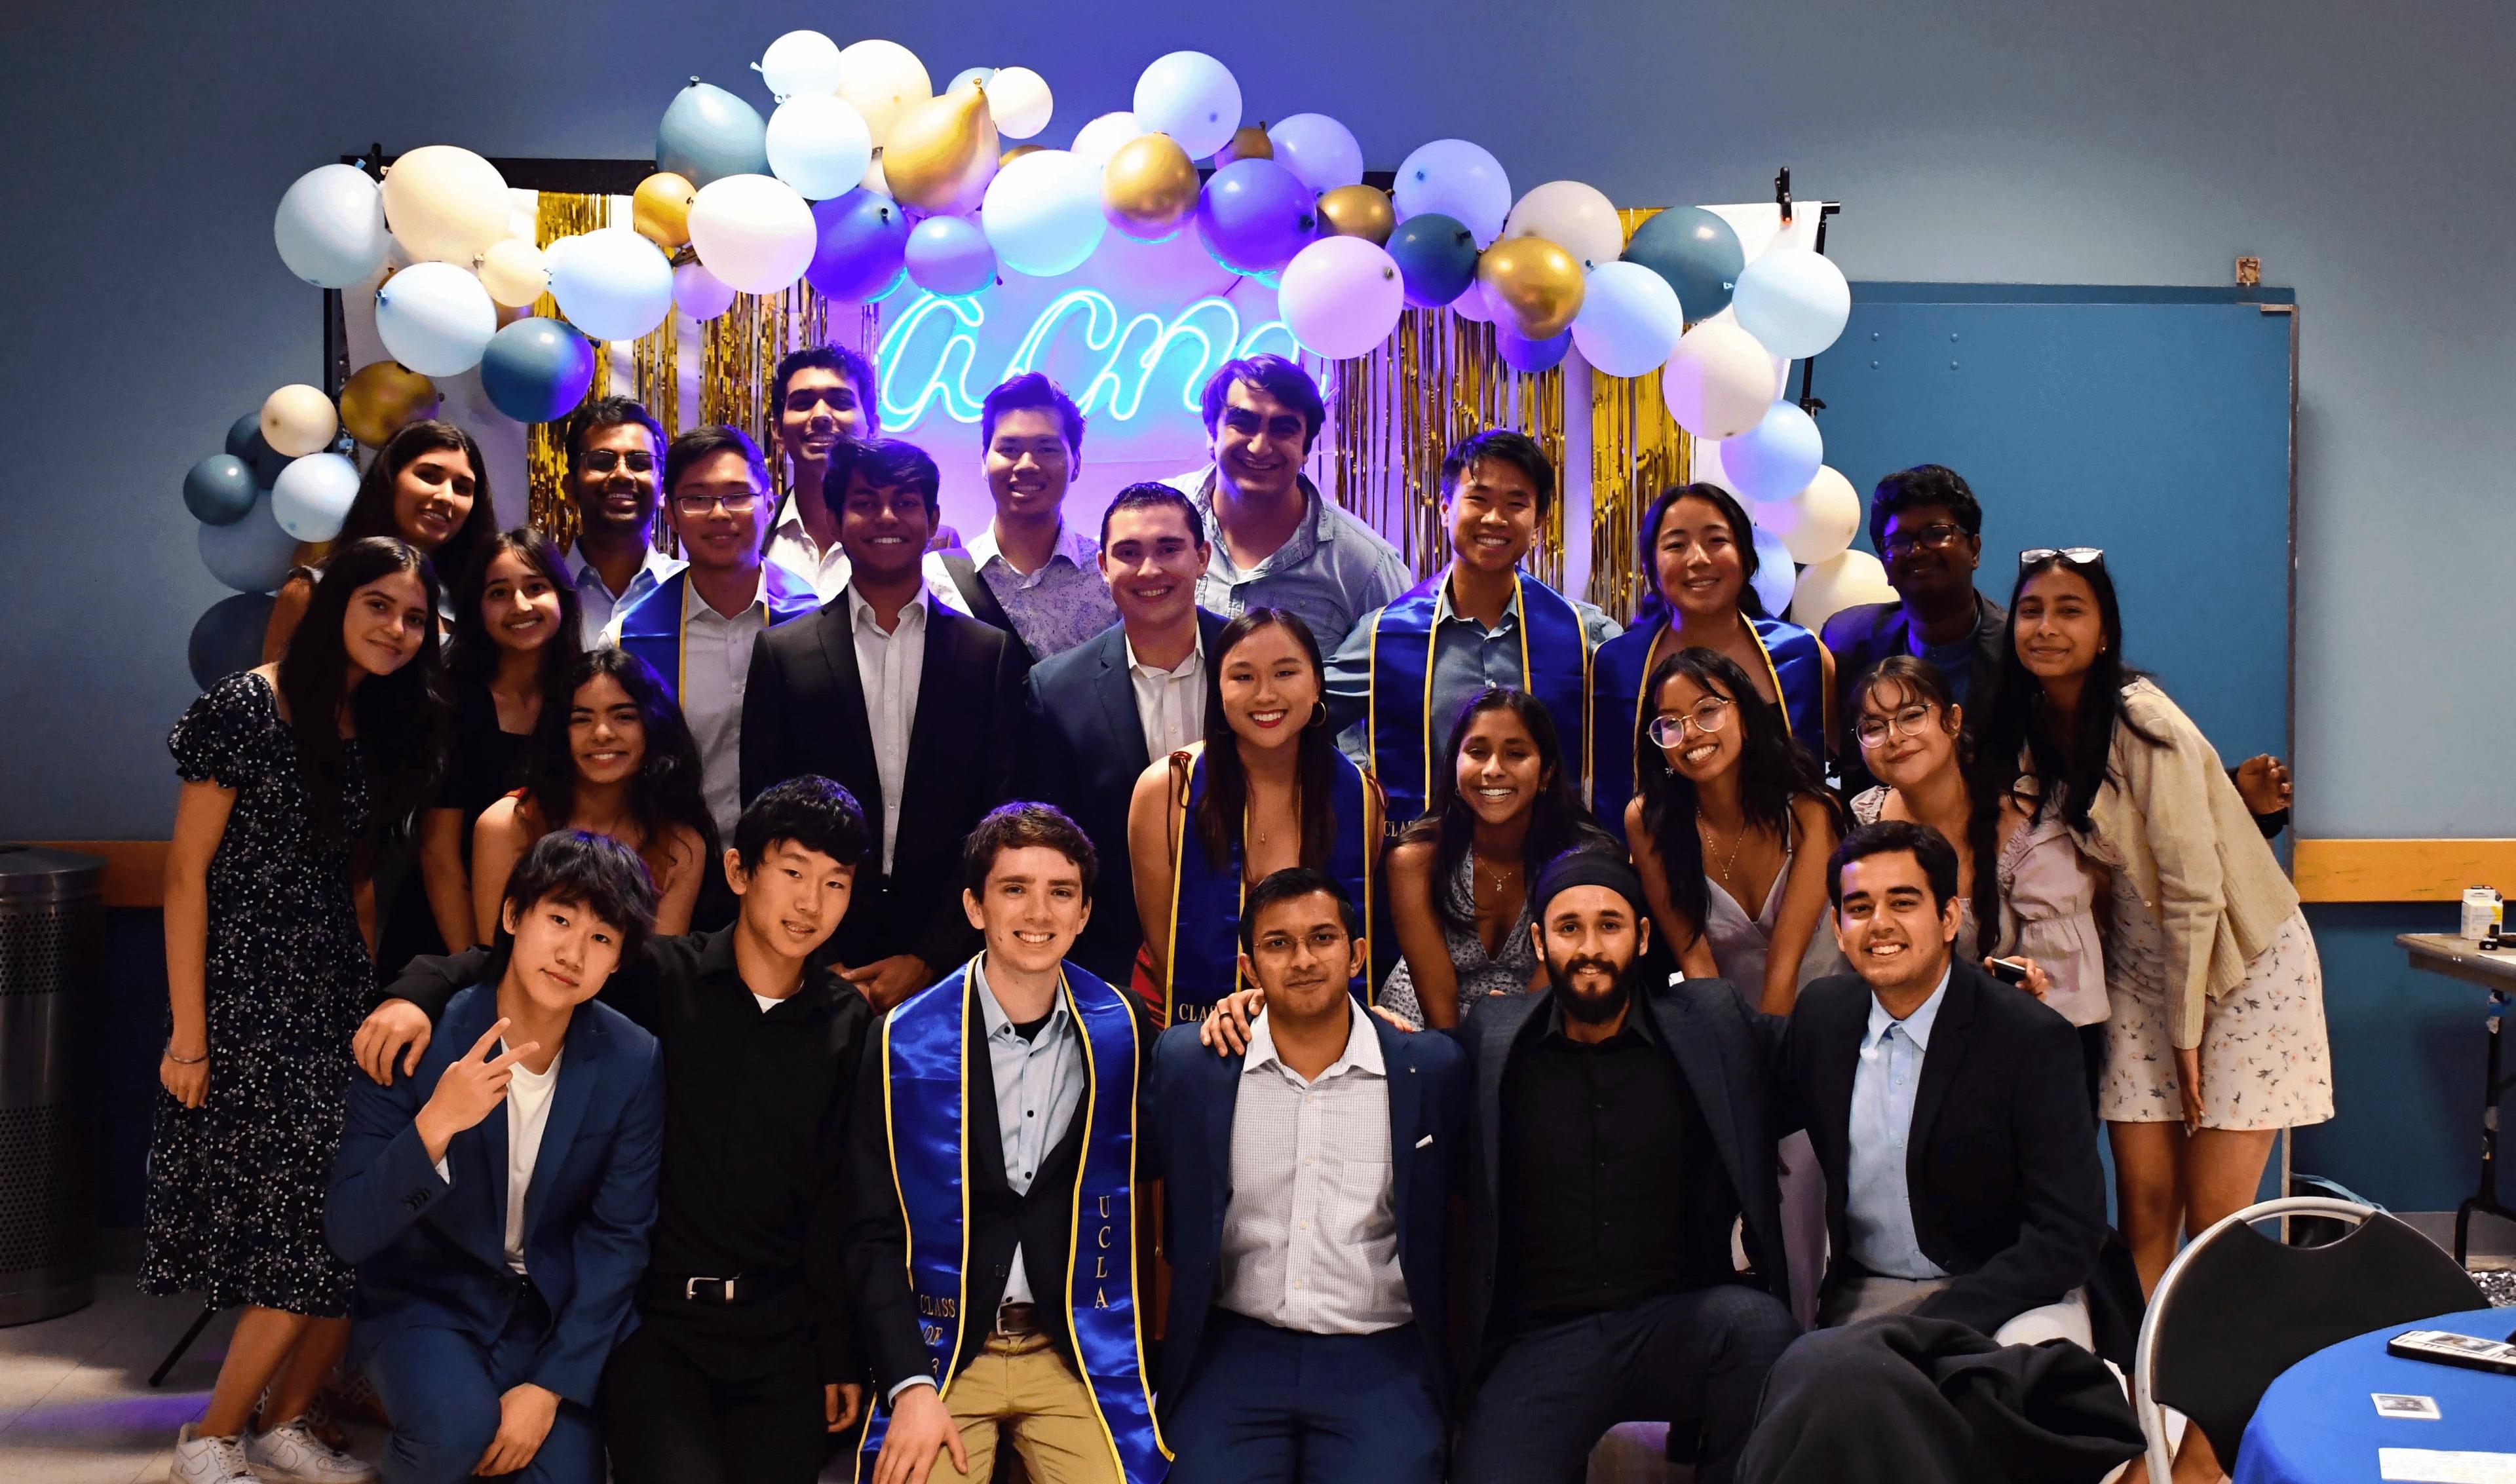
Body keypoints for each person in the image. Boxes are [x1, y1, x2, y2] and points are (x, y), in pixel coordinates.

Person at [355, 777, 876, 1484]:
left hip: (777, 1331)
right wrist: (416, 993)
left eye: (835, 884)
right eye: (792, 873)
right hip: (658, 1324)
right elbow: (533, 963)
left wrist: (838, 1351)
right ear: (738, 872)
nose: (810, 903)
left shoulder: (852, 1026)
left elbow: (839, 1198)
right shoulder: (661, 978)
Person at [155, 537, 448, 1484]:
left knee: (352, 1225)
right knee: (298, 1235)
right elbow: (184, 874)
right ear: (334, 605)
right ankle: (209, 1435)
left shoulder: (377, 722)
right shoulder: (245, 705)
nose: (398, 630)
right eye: (379, 607)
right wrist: (190, 1035)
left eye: (414, 617)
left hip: (332, 1000)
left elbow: (357, 881)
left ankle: (285, 1421)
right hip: (245, 1001)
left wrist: (365, 996)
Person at [1973, 551, 2331, 1308]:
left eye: (2072, 610)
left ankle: (2212, 1416)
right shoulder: (2029, 721)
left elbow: (2195, 890)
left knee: (2216, 1221)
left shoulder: (2142, 717)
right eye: (2033, 611)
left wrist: (2189, 1030)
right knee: (2141, 1209)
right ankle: (2140, 1416)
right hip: (2139, 974)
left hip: (2238, 969)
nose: (2047, 627)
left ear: (2104, 632)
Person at [325, 831, 666, 1484]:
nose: (572, 952)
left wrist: (551, 1386)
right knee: (456, 1431)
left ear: (618, 960)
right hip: (424, 1299)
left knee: (563, 1473)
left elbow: (619, 1238)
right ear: (514, 916)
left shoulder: (631, 1059)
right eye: (559, 919)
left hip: (542, 1315)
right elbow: (347, 1231)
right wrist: (436, 1126)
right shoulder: (421, 1035)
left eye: (601, 937)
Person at [1449, 852, 1798, 1484]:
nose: (1589, 948)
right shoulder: (1493, 1038)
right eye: (1568, 927)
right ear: (1539, 940)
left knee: (1757, 1329)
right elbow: (1404, 1066)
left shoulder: (1709, 1024)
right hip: (1542, 1343)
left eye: (1610, 925)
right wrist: (1255, 1015)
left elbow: (1824, 1050)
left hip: (1675, 1324)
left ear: (1641, 936)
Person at [846, 804, 1167, 1484]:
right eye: (1014, 889)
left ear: (1084, 915)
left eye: (1062, 892)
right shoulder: (903, 1040)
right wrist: (907, 1383)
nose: (1039, 913)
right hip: (947, 1355)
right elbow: (872, 1231)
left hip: (1072, 1349)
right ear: (974, 906)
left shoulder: (1121, 1029)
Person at [1143, 869, 1466, 1484]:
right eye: (1277, 943)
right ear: (1248, 966)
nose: (1303, 959)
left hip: (1379, 1349)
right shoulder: (1194, 1064)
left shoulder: (1430, 1068)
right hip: (1236, 1348)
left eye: (1322, 938)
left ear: (1357, 954)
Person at [1788, 820, 2109, 1342]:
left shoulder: (2028, 1036)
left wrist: (1939, 1323)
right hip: (1870, 1293)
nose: (1880, 924)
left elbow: (2067, 1234)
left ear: (1949, 917)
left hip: (2011, 1294)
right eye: (1860, 907)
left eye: (1903, 902)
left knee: (2013, 1394)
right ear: (1837, 927)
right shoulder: (1822, 1019)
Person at [741, 436, 1027, 1010]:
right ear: (834, 518)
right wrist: (818, 953)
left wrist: (930, 955)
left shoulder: (987, 653)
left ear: (934, 518)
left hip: (953, 959)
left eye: (906, 501)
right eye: (866, 502)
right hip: (814, 953)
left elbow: (1001, 813)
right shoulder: (783, 652)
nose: (887, 517)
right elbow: (765, 812)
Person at [1327, 429, 1616, 824]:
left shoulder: (1585, 633)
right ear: (1445, 508)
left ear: (1539, 523)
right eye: (1478, 499)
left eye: (1517, 504)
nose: (1495, 519)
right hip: (1425, 863)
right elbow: (1306, 717)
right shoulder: (1384, 636)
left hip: (1554, 864)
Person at [1127, 609, 1382, 1025]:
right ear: (1219, 689)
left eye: (1285, 674)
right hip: (1185, 1025)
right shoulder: (1167, 791)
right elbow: (1164, 949)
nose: (1265, 695)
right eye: (1243, 677)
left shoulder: (1361, 796)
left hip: (1312, 1020)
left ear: (1317, 684)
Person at [1023, 483, 1229, 985]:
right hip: (1111, 969)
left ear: (1202, 557)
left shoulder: (1257, 659)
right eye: (1129, 553)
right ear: (1102, 566)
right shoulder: (1056, 688)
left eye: (1168, 549)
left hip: (1254, 946)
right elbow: (1051, 842)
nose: (1150, 570)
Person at [1848, 657, 2099, 1042]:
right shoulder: (1864, 821)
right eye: (1874, 728)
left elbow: (2068, 999)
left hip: (2016, 1043)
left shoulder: (2025, 827)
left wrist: (2020, 989)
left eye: (1912, 716)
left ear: (1952, 721)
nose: (1894, 737)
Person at [609, 427, 818, 850]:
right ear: (670, 513)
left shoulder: (815, 623)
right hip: (669, 868)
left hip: (793, 864)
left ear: (769, 504)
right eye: (698, 498)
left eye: (738, 495)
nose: (720, 513)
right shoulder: (627, 640)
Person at [1593, 482, 1831, 841]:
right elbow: (1612, 797)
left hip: (1793, 865)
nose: (1698, 559)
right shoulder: (1616, 664)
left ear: (1746, 557)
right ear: (1651, 566)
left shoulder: (1801, 653)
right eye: (1676, 545)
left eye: (1716, 541)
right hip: (1656, 869)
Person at [1380, 687, 1615, 1029]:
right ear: (1456, 763)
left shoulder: (1581, 861)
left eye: (1515, 754)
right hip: (1426, 1025)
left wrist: (1506, 1041)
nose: (1493, 770)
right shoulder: (1415, 859)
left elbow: (1546, 998)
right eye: (1477, 752)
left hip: (1536, 1023)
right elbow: (1440, 1019)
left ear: (1546, 772)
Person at [1628, 647, 1846, 1012]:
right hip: (1735, 1025)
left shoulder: (1811, 811)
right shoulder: (1648, 821)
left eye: (1708, 711)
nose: (1691, 733)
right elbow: (1696, 965)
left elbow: (1783, 970)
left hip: (1833, 1017)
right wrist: (1725, 1045)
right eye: (1670, 722)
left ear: (1745, 719)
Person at [413, 529, 585, 958]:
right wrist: (477, 971)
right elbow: (439, 856)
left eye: (535, 587)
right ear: (477, 608)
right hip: (452, 934)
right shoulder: (450, 699)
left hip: (554, 933)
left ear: (562, 596)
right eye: (499, 592)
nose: (520, 606)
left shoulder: (583, 695)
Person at [1163, 355, 1409, 651]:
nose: (1260, 446)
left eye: (1283, 429)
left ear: (1307, 447)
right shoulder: (1153, 522)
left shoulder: (1367, 566)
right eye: (1243, 423)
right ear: (1211, 432)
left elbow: (1400, 680)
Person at [471, 648, 714, 942]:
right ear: (560, 732)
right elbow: (493, 958)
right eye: (581, 719)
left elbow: (657, 975)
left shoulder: (680, 848)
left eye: (623, 716)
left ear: (654, 727)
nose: (601, 733)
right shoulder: (507, 825)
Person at [1818, 465, 2006, 791]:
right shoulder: (1846, 641)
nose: (1916, 551)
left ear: (1974, 549)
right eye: (1898, 541)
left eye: (1936, 534)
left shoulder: (2019, 650)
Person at [262, 419, 499, 660]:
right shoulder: (311, 591)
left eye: (462, 488)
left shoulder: (476, 604)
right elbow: (276, 693)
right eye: (428, 476)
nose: (446, 497)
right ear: (390, 479)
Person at [924, 371, 1118, 661]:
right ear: (984, 462)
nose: (1027, 464)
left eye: (1047, 449)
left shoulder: (1109, 577)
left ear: (1076, 463)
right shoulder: (935, 579)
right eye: (1009, 449)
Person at [562, 396, 683, 643]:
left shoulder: (688, 591)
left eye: (639, 463)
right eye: (602, 461)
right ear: (570, 489)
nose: (621, 474)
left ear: (662, 491)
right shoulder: (537, 595)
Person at [764, 345, 879, 601]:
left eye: (839, 402)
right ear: (777, 431)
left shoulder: (925, 540)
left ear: (873, 426)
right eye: (803, 403)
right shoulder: (753, 532)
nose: (820, 416)